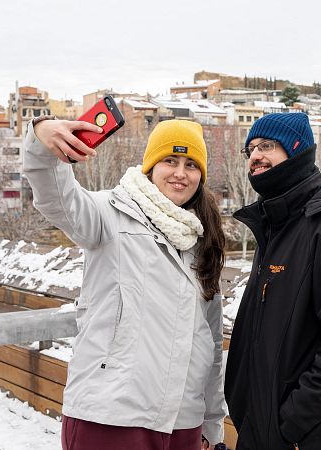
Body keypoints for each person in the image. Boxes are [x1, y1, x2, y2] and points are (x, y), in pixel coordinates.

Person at [23, 116, 227, 450]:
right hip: (112, 417)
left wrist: (211, 423)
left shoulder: (202, 241)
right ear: (151, 166)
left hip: (183, 423)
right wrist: (42, 140)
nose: (181, 173)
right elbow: (55, 198)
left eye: (191, 165)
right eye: (170, 161)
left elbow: (211, 345)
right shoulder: (109, 214)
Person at [225, 113, 321, 449]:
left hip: (308, 437)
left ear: (297, 151)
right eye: (250, 149)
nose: (255, 156)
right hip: (263, 429)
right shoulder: (275, 226)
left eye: (267, 146)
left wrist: (293, 421)